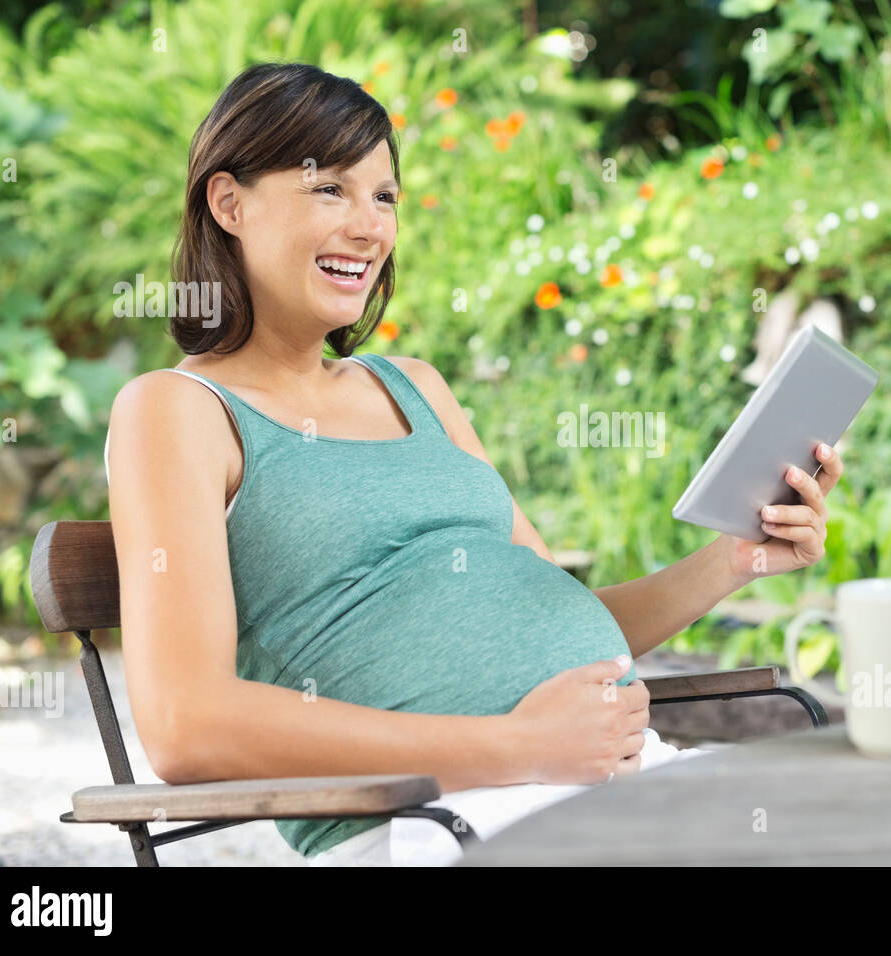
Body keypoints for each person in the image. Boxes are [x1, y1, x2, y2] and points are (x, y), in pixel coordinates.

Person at [104, 62, 844, 866]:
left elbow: (559, 618)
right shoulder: (176, 412)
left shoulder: (415, 388)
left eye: (384, 197)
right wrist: (518, 746)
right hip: (440, 823)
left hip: (603, 786)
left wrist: (732, 561)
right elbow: (185, 724)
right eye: (330, 190)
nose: (369, 227)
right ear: (229, 203)